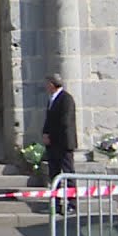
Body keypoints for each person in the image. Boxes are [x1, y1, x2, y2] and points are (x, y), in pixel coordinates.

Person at [42, 73, 78, 214]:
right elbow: (49, 120)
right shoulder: (51, 99)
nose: (46, 86)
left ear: (52, 84)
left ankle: (71, 204)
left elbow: (65, 122)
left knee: (68, 174)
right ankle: (55, 203)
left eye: (47, 83)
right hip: (52, 144)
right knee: (54, 174)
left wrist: (51, 135)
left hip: (63, 143)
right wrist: (45, 133)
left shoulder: (66, 99)